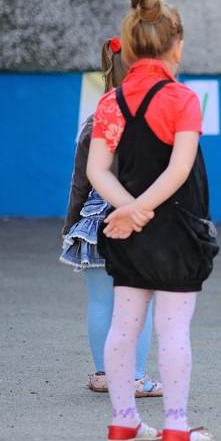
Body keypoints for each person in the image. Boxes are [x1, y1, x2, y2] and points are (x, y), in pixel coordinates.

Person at [87, 0, 218, 441]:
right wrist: (142, 209)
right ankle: (176, 426)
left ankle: (124, 421)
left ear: (130, 48)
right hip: (176, 230)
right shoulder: (182, 99)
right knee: (173, 328)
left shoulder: (110, 102)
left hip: (127, 230)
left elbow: (97, 169)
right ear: (175, 46)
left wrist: (127, 210)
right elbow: (180, 170)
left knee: (124, 326)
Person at [60, 37, 162, 398]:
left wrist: (71, 224)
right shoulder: (153, 121)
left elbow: (80, 180)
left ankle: (104, 374)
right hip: (135, 218)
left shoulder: (94, 122)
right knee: (138, 303)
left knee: (101, 301)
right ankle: (134, 377)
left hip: (93, 223)